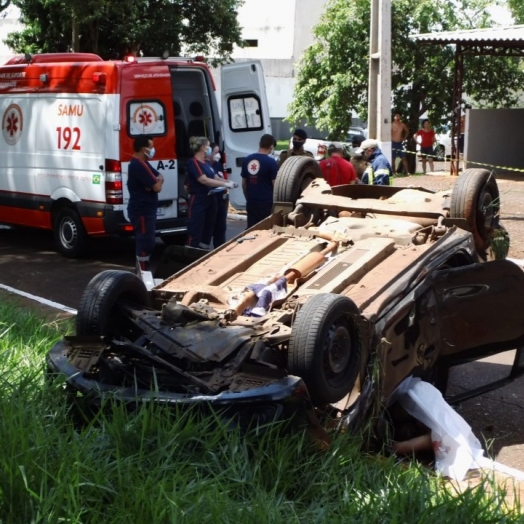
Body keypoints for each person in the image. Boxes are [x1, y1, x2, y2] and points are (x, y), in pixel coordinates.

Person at [185, 136, 237, 248]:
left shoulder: (206, 163)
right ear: (203, 147)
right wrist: (224, 184)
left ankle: (203, 252)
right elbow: (203, 180)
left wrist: (228, 182)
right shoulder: (193, 163)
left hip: (210, 200)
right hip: (199, 201)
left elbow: (214, 177)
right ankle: (190, 256)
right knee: (195, 230)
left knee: (207, 231)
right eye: (208, 146)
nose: (209, 148)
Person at [127, 135, 164, 271]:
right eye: (151, 147)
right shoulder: (138, 165)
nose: (153, 150)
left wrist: (156, 181)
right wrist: (155, 183)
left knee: (149, 241)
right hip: (142, 211)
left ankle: (143, 271)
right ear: (144, 149)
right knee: (145, 242)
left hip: (147, 210)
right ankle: (142, 273)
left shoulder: (144, 163)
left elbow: (160, 176)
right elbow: (157, 187)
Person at [241, 134, 279, 228]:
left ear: (259, 144)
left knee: (251, 230)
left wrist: (248, 199)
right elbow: (275, 185)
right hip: (267, 203)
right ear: (271, 146)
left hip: (252, 202)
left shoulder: (247, 160)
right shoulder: (271, 162)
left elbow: (244, 184)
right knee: (265, 231)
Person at [203, 142, 228, 249]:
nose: (218, 155)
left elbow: (221, 178)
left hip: (220, 200)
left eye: (218, 152)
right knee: (207, 229)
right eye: (215, 152)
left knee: (221, 228)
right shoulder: (203, 165)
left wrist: (227, 183)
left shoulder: (217, 165)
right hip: (209, 201)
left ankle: (220, 249)